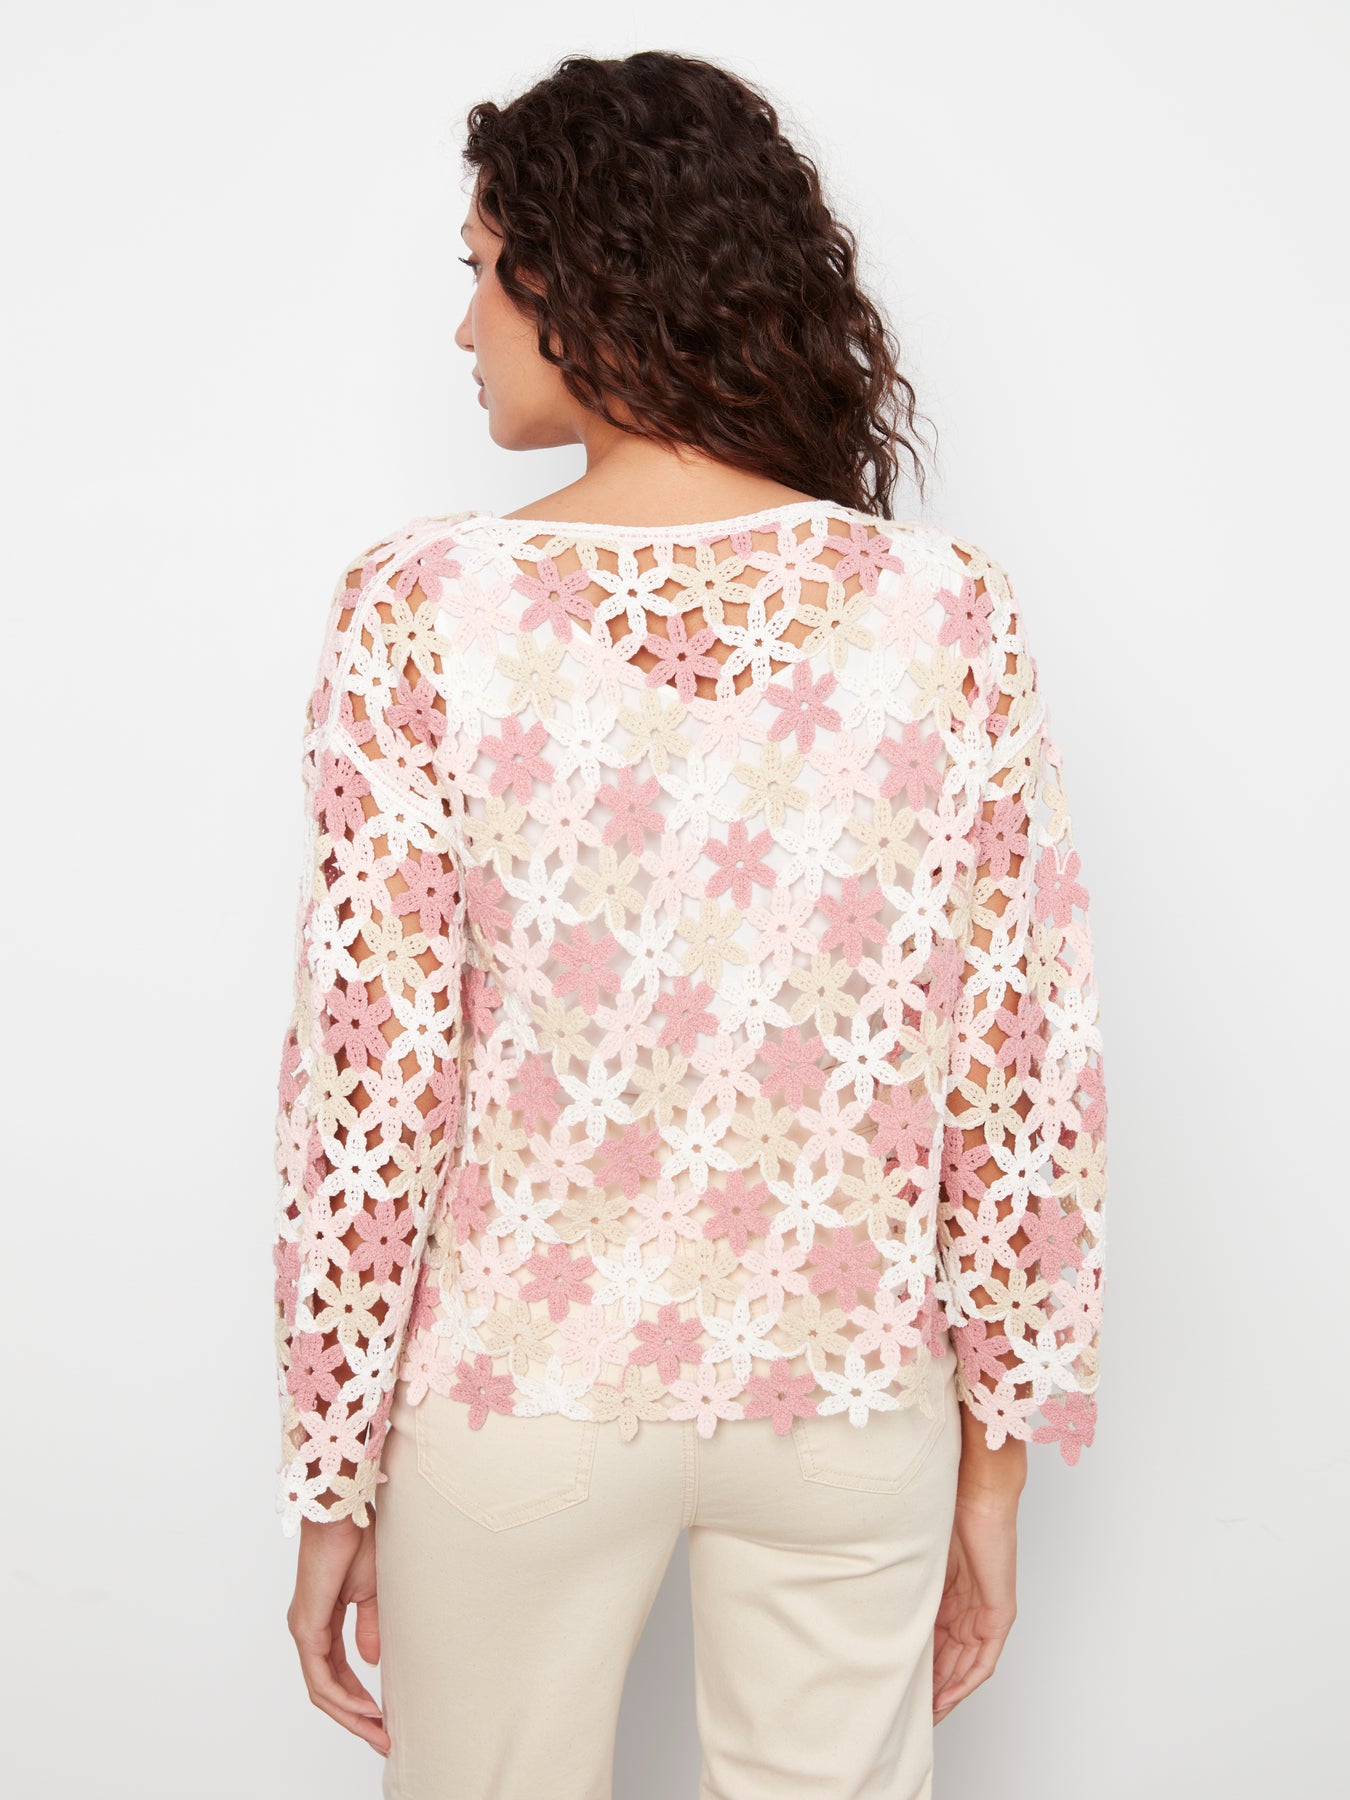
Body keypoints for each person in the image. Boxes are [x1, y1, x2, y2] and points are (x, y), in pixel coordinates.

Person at [271, 49, 1108, 1799]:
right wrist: (991, 1469)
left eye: (481, 270)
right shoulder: (942, 611)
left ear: (582, 277)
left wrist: (334, 1480)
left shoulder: (421, 609)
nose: (463, 327)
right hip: (849, 1396)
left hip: (516, 1398)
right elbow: (1015, 1067)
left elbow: (373, 1091)